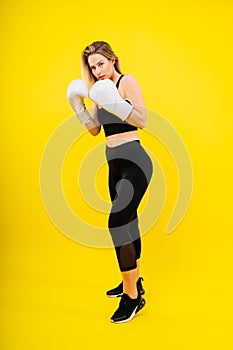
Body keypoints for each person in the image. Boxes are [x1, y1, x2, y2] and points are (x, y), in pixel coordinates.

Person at [67, 41, 153, 323]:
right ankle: (134, 281)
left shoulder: (127, 82)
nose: (97, 71)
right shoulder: (98, 90)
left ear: (113, 59)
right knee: (128, 222)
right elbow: (94, 130)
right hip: (113, 164)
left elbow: (142, 120)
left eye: (101, 64)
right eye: (92, 67)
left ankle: (132, 298)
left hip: (136, 162)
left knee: (116, 224)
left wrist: (114, 101)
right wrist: (79, 106)